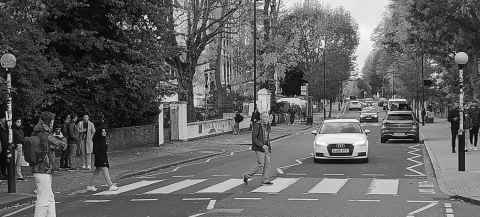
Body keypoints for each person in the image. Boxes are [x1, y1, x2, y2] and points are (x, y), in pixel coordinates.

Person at [31, 111, 64, 217]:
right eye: (52, 121)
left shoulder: (38, 132)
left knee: (49, 197)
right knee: (43, 199)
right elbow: (61, 145)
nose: (53, 124)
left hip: (41, 169)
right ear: (48, 122)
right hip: (42, 169)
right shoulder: (45, 135)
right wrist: (61, 139)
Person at [86, 116, 118, 191]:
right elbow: (100, 149)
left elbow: (104, 149)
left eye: (105, 131)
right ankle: (110, 185)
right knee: (105, 170)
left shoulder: (102, 139)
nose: (105, 133)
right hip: (101, 157)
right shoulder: (99, 140)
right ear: (100, 132)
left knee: (97, 171)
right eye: (103, 131)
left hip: (101, 156)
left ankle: (90, 185)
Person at [242, 112, 272, 185]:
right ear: (261, 118)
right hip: (259, 147)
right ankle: (246, 175)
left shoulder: (268, 125)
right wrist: (262, 145)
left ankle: (265, 180)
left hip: (266, 147)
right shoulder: (257, 125)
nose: (266, 119)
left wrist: (269, 146)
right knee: (261, 164)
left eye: (267, 117)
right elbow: (254, 138)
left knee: (267, 164)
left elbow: (267, 137)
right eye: (264, 117)